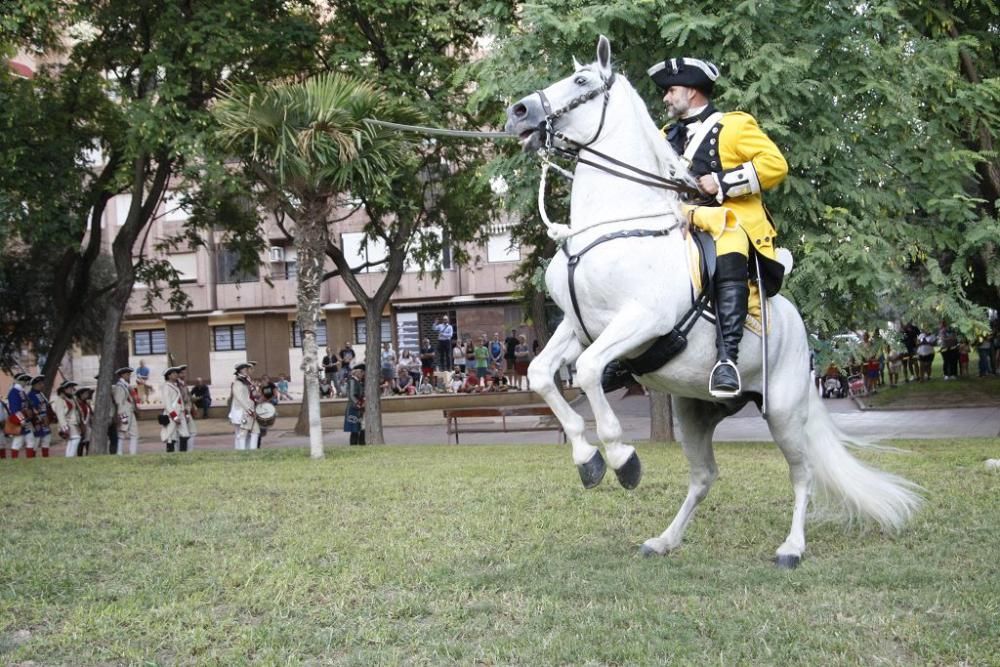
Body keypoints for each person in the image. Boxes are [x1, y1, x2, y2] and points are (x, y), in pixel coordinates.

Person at [633, 56, 788, 397]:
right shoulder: (664, 136)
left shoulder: (733, 126)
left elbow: (775, 165)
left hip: (724, 219)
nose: (665, 98)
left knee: (729, 239)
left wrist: (722, 181)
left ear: (691, 91)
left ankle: (727, 360)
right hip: (679, 221)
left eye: (671, 91)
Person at [230, 362, 261, 450]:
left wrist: (256, 390)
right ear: (240, 370)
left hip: (249, 410)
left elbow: (252, 394)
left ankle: (251, 450)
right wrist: (249, 410)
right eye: (245, 369)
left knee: (254, 431)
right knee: (241, 433)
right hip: (241, 411)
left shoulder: (247, 381)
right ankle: (241, 451)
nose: (247, 370)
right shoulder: (238, 382)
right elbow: (240, 398)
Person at [4, 373, 34, 459]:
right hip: (19, 420)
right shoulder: (14, 392)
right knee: (18, 442)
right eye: (23, 381)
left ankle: (30, 460)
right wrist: (21, 420)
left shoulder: (21, 391)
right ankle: (14, 460)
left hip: (25, 419)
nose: (25, 383)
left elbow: (25, 405)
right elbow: (15, 409)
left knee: (30, 440)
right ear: (18, 381)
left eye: (25, 381)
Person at [112, 366, 139, 455]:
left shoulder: (127, 385)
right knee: (122, 432)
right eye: (127, 374)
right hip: (123, 412)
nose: (128, 376)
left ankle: (133, 453)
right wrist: (121, 415)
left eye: (129, 374)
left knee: (134, 433)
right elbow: (118, 401)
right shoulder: (119, 386)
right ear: (122, 375)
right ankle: (119, 453)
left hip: (130, 411)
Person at [52, 380, 83, 458]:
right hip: (67, 423)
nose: (71, 389)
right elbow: (60, 414)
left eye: (72, 387)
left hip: (74, 423)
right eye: (69, 388)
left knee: (72, 440)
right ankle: (70, 457)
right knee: (76, 438)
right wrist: (64, 426)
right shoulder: (60, 400)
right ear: (64, 389)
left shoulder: (72, 398)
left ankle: (68, 457)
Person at [160, 367, 186, 453]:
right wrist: (174, 417)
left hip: (180, 412)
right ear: (169, 376)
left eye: (176, 373)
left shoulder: (175, 385)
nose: (176, 375)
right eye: (174, 373)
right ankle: (171, 453)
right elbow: (167, 403)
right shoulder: (166, 386)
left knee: (184, 434)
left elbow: (181, 400)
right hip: (172, 414)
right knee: (170, 436)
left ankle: (183, 453)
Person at [27, 375, 54, 458]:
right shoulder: (31, 395)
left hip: (45, 420)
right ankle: (31, 459)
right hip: (37, 421)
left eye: (42, 383)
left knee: (47, 439)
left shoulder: (41, 394)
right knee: (36, 440)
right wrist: (43, 417)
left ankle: (45, 458)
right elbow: (34, 408)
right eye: (40, 384)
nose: (42, 385)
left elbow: (45, 406)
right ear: (35, 385)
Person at [344, 364, 366, 445]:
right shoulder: (352, 381)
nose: (363, 374)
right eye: (362, 372)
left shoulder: (358, 381)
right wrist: (360, 404)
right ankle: (354, 445)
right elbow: (352, 395)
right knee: (354, 428)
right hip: (353, 407)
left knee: (361, 427)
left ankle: (361, 443)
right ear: (357, 372)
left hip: (358, 407)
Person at [75, 386, 93, 456]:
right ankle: (79, 456)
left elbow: (90, 412)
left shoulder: (87, 403)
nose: (87, 395)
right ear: (80, 395)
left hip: (87, 424)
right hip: (80, 425)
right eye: (85, 393)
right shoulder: (77, 404)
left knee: (88, 441)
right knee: (81, 442)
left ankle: (88, 455)